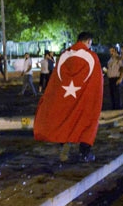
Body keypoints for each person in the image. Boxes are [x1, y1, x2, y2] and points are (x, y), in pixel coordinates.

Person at [34, 32, 103, 163]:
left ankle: (65, 144)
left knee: (65, 118)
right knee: (87, 121)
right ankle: (84, 152)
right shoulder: (92, 57)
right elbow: (96, 81)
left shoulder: (64, 55)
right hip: (83, 97)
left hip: (66, 97)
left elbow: (56, 80)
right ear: (88, 41)